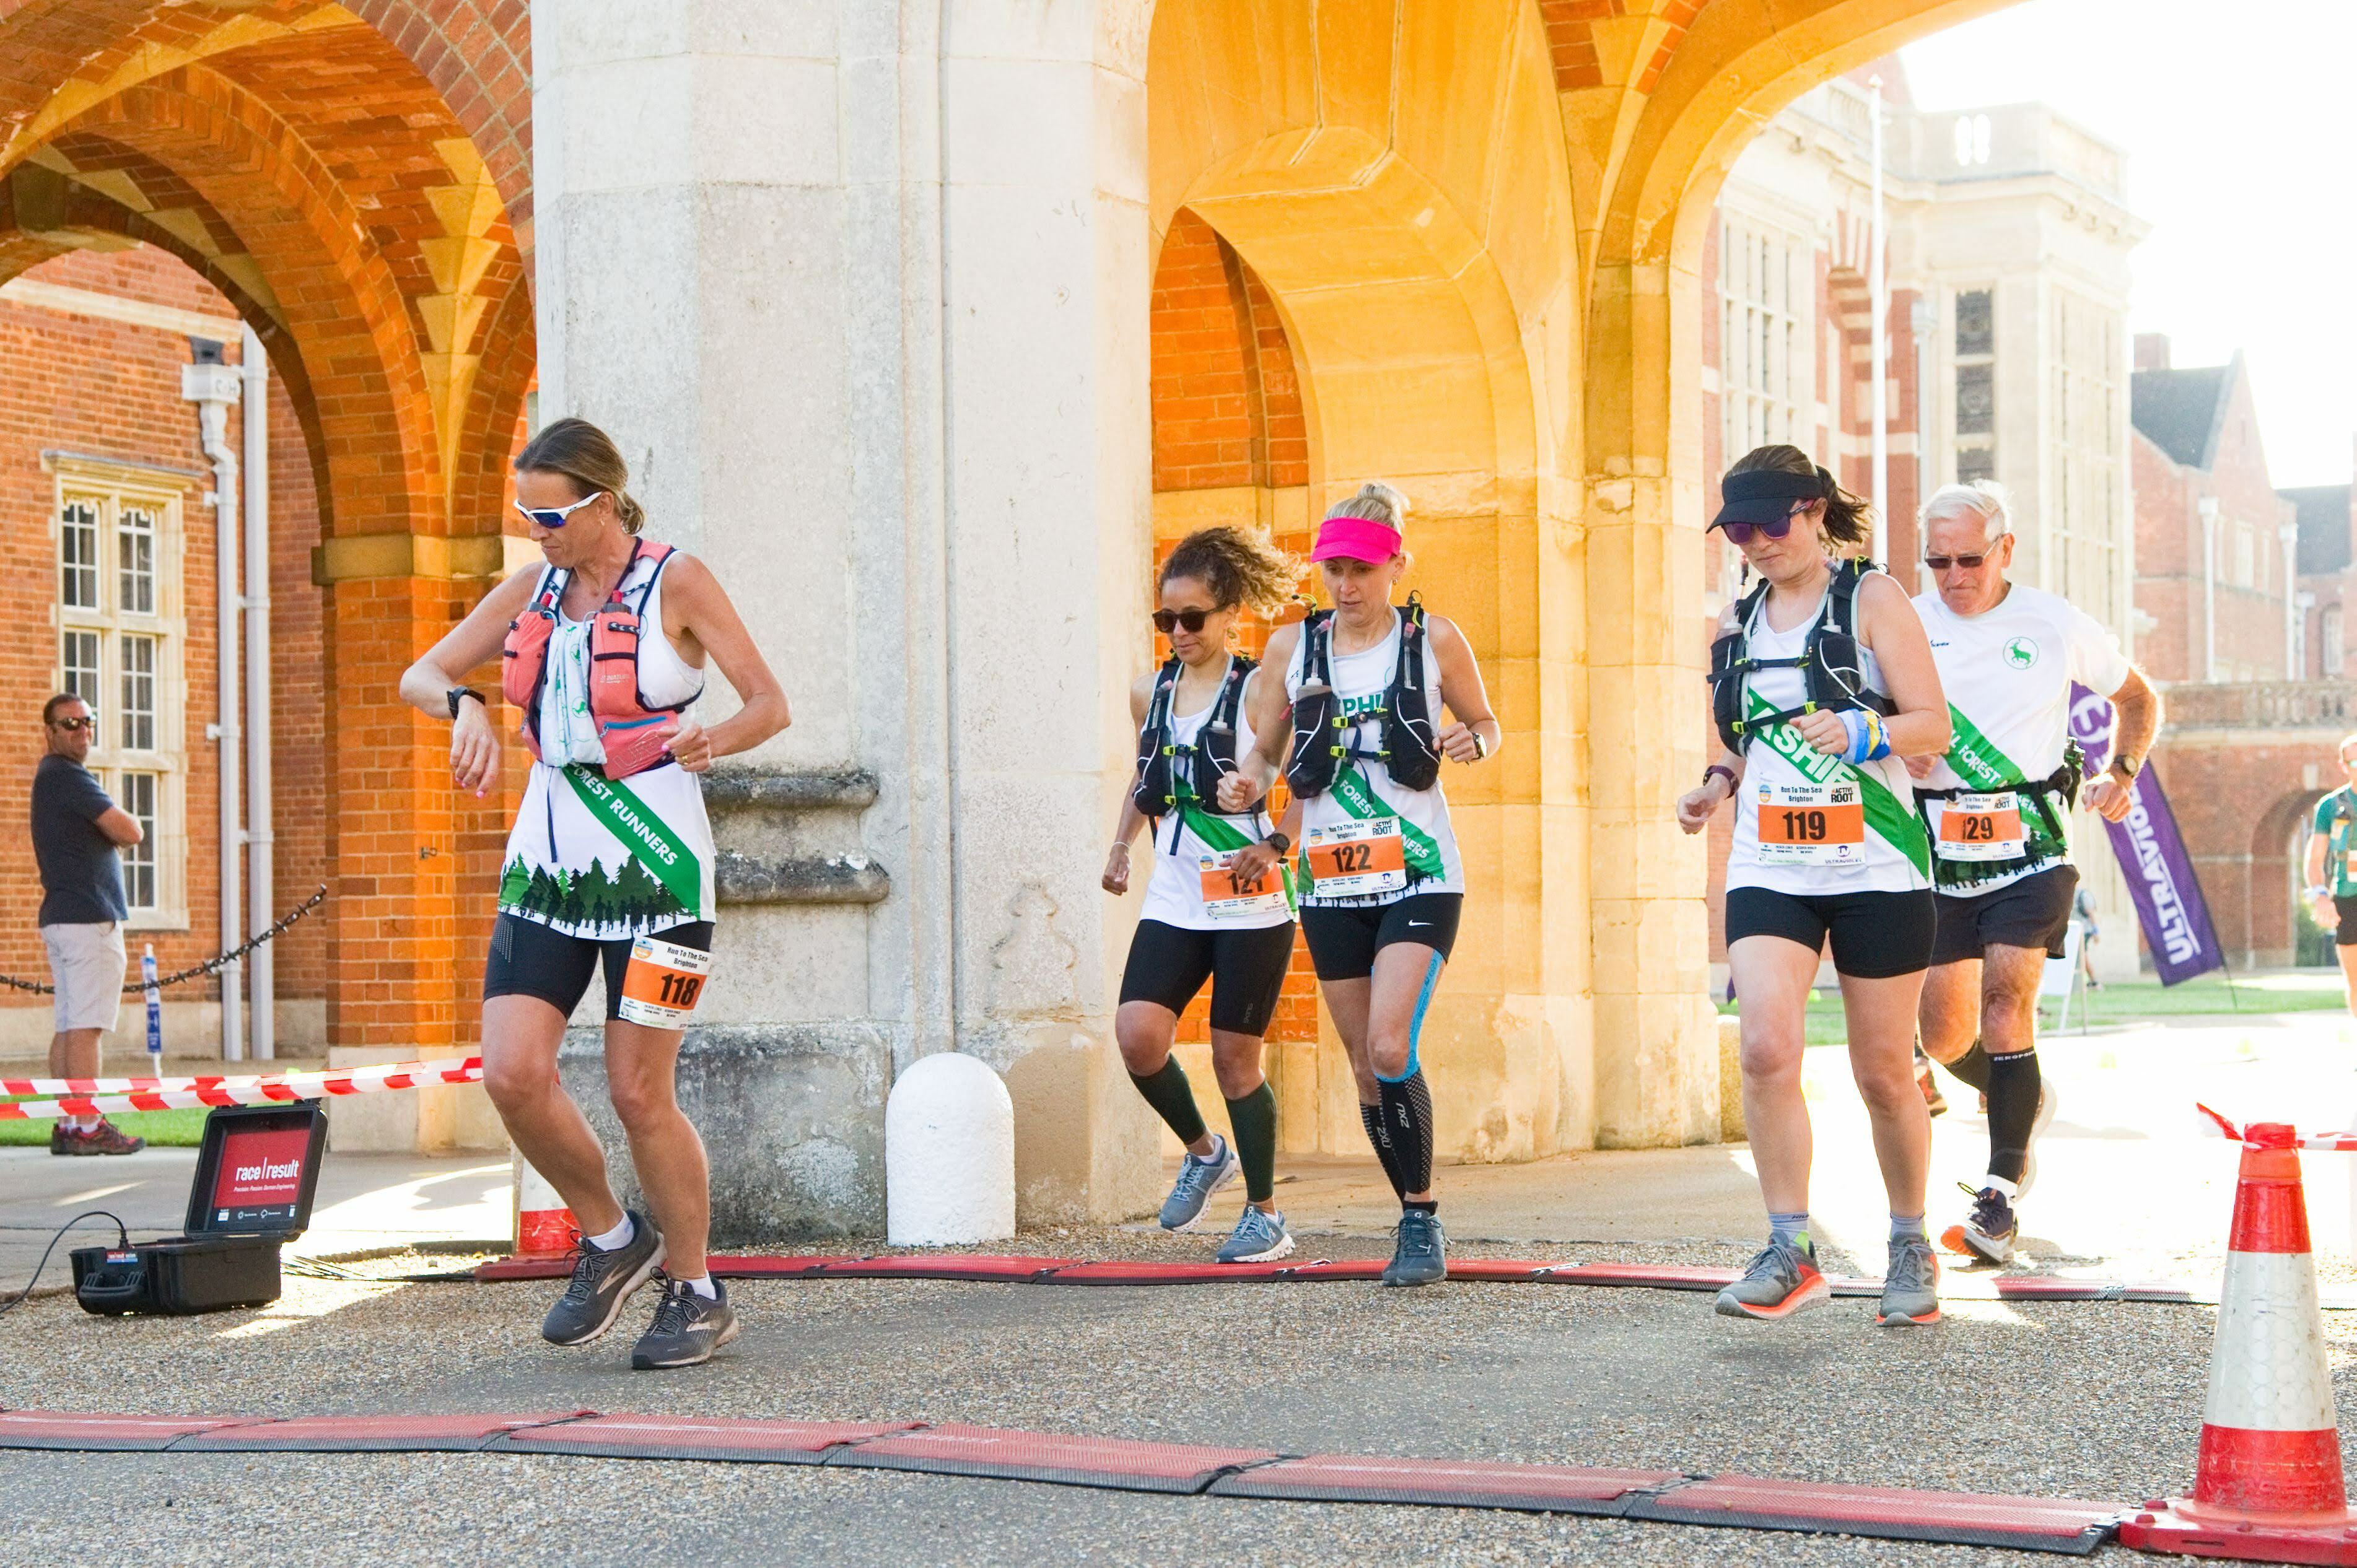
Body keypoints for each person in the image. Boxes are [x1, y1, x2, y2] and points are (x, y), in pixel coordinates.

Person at [400, 418, 789, 1369]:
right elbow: (423, 671)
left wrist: (715, 741)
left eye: (550, 514)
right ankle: (614, 1238)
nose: (536, 531)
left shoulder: (678, 581)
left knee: (636, 1091)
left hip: (661, 872)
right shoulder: (530, 588)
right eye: (524, 514)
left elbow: (769, 704)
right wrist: (468, 705)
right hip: (547, 871)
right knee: (512, 1073)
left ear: (602, 504)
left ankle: (696, 1290)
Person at [1676, 445, 1951, 1328]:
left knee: (1881, 1070)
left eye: (1768, 524)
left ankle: (1909, 1239)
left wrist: (1863, 733)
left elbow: (1933, 729)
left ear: (1814, 512)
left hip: (1877, 862)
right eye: (1739, 530)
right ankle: (1788, 1247)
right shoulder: (1736, 621)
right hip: (1770, 863)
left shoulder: (1873, 598)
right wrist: (1714, 784)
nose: (1753, 543)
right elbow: (1737, 737)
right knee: (1763, 1047)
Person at [1221, 482, 1501, 1287]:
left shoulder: (1431, 641)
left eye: (1362, 570)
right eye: (1334, 569)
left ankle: (1420, 1217)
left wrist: (1473, 740)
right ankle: (1407, 1205)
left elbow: (1487, 723)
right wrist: (1246, 788)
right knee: (1360, 1064)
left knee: (1388, 1044)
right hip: (1330, 879)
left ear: (1396, 565)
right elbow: (1264, 752)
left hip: (1419, 871)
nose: (1346, 586)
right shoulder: (1291, 650)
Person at [1905, 481, 2153, 1266]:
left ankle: (1999, 1192)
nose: (1953, 577)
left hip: (2031, 848)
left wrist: (2122, 770)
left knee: (2007, 1005)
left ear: (2005, 549)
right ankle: (2024, 1093)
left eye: (1969, 559)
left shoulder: (2051, 622)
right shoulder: (1905, 624)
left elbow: (2138, 696)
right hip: (1938, 851)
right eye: (1937, 561)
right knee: (1943, 1037)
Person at [1104, 528, 1305, 1264]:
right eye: (1167, 620)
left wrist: (1273, 844)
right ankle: (1202, 1151)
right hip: (1175, 895)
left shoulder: (1257, 692)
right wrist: (1122, 843)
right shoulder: (1147, 692)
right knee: (1138, 1036)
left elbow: (1311, 783)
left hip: (1250, 904)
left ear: (1230, 615)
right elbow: (1144, 776)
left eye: (1194, 618)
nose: (1180, 633)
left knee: (1233, 1060)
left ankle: (1265, 1214)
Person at [32, 694, 146, 1156]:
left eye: (88, 721)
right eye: (70, 723)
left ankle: (68, 1120)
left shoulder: (51, 777)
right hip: (88, 918)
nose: (81, 730)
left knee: (69, 1023)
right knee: (86, 1026)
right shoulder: (68, 777)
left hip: (64, 916)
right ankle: (86, 1124)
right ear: (50, 731)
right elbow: (130, 831)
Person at [2302, 734, 2357, 1019]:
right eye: (2355, 761)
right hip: (2348, 898)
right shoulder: (2331, 807)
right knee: (2355, 980)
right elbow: (2314, 859)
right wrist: (2321, 896)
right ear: (2343, 765)